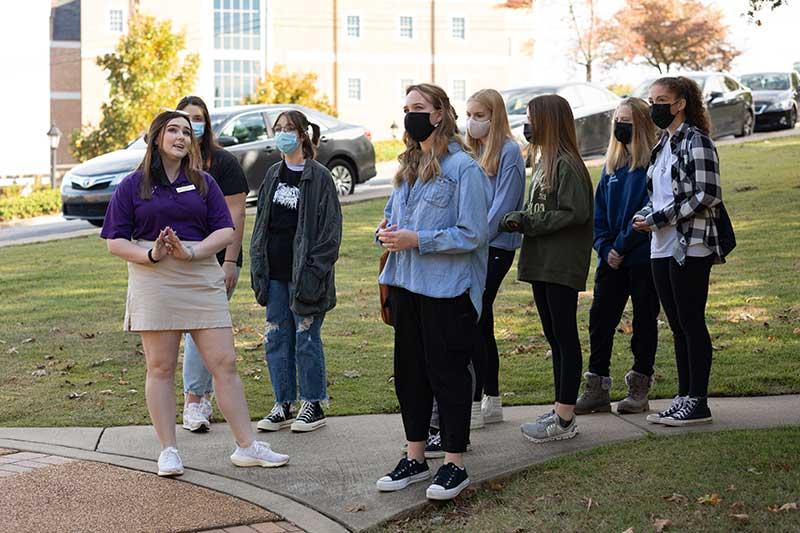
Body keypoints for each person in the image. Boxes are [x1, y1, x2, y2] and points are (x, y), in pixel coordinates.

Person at [101, 110, 289, 476]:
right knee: (160, 367)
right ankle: (168, 451)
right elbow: (115, 241)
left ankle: (247, 446)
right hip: (153, 277)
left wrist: (192, 251)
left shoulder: (203, 182)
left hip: (200, 273)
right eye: (173, 130)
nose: (182, 137)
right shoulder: (132, 185)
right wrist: (151, 254)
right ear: (157, 137)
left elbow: (226, 231)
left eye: (186, 131)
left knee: (225, 362)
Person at [374, 83, 489, 501]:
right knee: (410, 375)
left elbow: (473, 233)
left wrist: (417, 239)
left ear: (440, 114)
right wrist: (384, 233)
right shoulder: (408, 165)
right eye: (406, 108)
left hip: (447, 291)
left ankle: (454, 464)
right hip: (406, 286)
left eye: (419, 108)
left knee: (448, 376)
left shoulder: (465, 169)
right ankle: (415, 457)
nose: (411, 115)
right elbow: (390, 218)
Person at [500, 94, 593, 443]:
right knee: (554, 337)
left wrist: (526, 220)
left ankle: (566, 418)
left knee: (565, 336)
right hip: (541, 262)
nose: (527, 125)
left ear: (548, 121)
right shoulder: (542, 163)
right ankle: (560, 407)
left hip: (561, 263)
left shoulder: (567, 164)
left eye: (530, 118)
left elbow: (575, 213)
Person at [633, 76, 725, 426]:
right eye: (651, 98)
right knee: (676, 325)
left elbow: (707, 193)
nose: (655, 105)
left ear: (681, 103)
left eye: (662, 99)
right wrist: (645, 215)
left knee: (691, 322)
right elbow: (659, 194)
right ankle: (684, 397)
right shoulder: (662, 143)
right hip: (660, 244)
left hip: (691, 243)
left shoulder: (697, 141)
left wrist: (658, 217)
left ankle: (698, 401)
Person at [250, 110, 342, 434]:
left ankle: (313, 404)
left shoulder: (319, 177)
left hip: (306, 276)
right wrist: (257, 266)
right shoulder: (273, 174)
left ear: (303, 135)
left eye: (289, 129)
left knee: (306, 337)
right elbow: (261, 224)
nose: (283, 134)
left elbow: (331, 234)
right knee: (276, 336)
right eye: (278, 129)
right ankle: (283, 403)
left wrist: (314, 271)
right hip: (274, 273)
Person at [575, 97, 660, 415]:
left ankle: (639, 386)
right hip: (610, 259)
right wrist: (605, 247)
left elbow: (645, 212)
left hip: (641, 259)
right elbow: (598, 216)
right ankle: (597, 386)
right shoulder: (611, 167)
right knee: (600, 320)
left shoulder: (650, 166)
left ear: (642, 124)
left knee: (643, 321)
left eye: (627, 120)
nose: (621, 126)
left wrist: (620, 247)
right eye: (617, 120)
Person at [175, 95, 249, 433]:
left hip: (218, 261)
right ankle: (198, 397)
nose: (194, 125)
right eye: (187, 119)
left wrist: (230, 262)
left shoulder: (224, 163)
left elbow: (236, 215)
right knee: (190, 329)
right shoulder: (169, 164)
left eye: (199, 118)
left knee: (199, 329)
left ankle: (194, 400)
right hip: (178, 261)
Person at [463, 88, 525, 425]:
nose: (472, 122)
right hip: (473, 246)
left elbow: (505, 206)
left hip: (496, 247)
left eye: (479, 116)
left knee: (475, 316)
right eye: (469, 115)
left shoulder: (510, 151)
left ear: (494, 116)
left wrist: (474, 238)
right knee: (480, 319)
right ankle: (492, 396)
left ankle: (475, 401)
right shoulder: (473, 151)